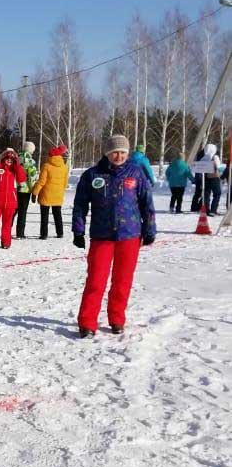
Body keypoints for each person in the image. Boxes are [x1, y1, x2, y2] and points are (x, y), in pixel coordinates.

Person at [72, 134, 156, 338]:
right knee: (96, 281)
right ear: (107, 153)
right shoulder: (92, 175)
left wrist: (150, 229)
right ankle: (87, 322)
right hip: (102, 236)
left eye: (123, 152)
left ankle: (117, 318)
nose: (119, 156)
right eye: (115, 152)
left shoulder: (136, 173)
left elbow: (147, 203)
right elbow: (80, 204)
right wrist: (78, 230)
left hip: (130, 235)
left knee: (122, 280)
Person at [31, 144, 70, 239]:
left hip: (46, 195)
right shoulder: (64, 167)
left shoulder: (46, 166)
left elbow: (41, 182)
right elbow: (65, 183)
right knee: (58, 215)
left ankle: (44, 234)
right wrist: (60, 191)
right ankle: (60, 233)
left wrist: (34, 193)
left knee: (44, 216)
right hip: (58, 195)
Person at [15, 141, 38, 239]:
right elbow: (32, 177)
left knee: (14, 209)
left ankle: (7, 228)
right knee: (22, 211)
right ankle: (20, 233)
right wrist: (33, 191)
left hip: (15, 188)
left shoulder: (16, 158)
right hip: (25, 190)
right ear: (31, 150)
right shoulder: (30, 161)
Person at [201, 143, 223, 216]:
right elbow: (219, 167)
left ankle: (206, 210)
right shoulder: (215, 157)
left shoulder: (203, 158)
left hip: (205, 178)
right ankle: (213, 210)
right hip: (214, 178)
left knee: (206, 194)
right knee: (217, 194)